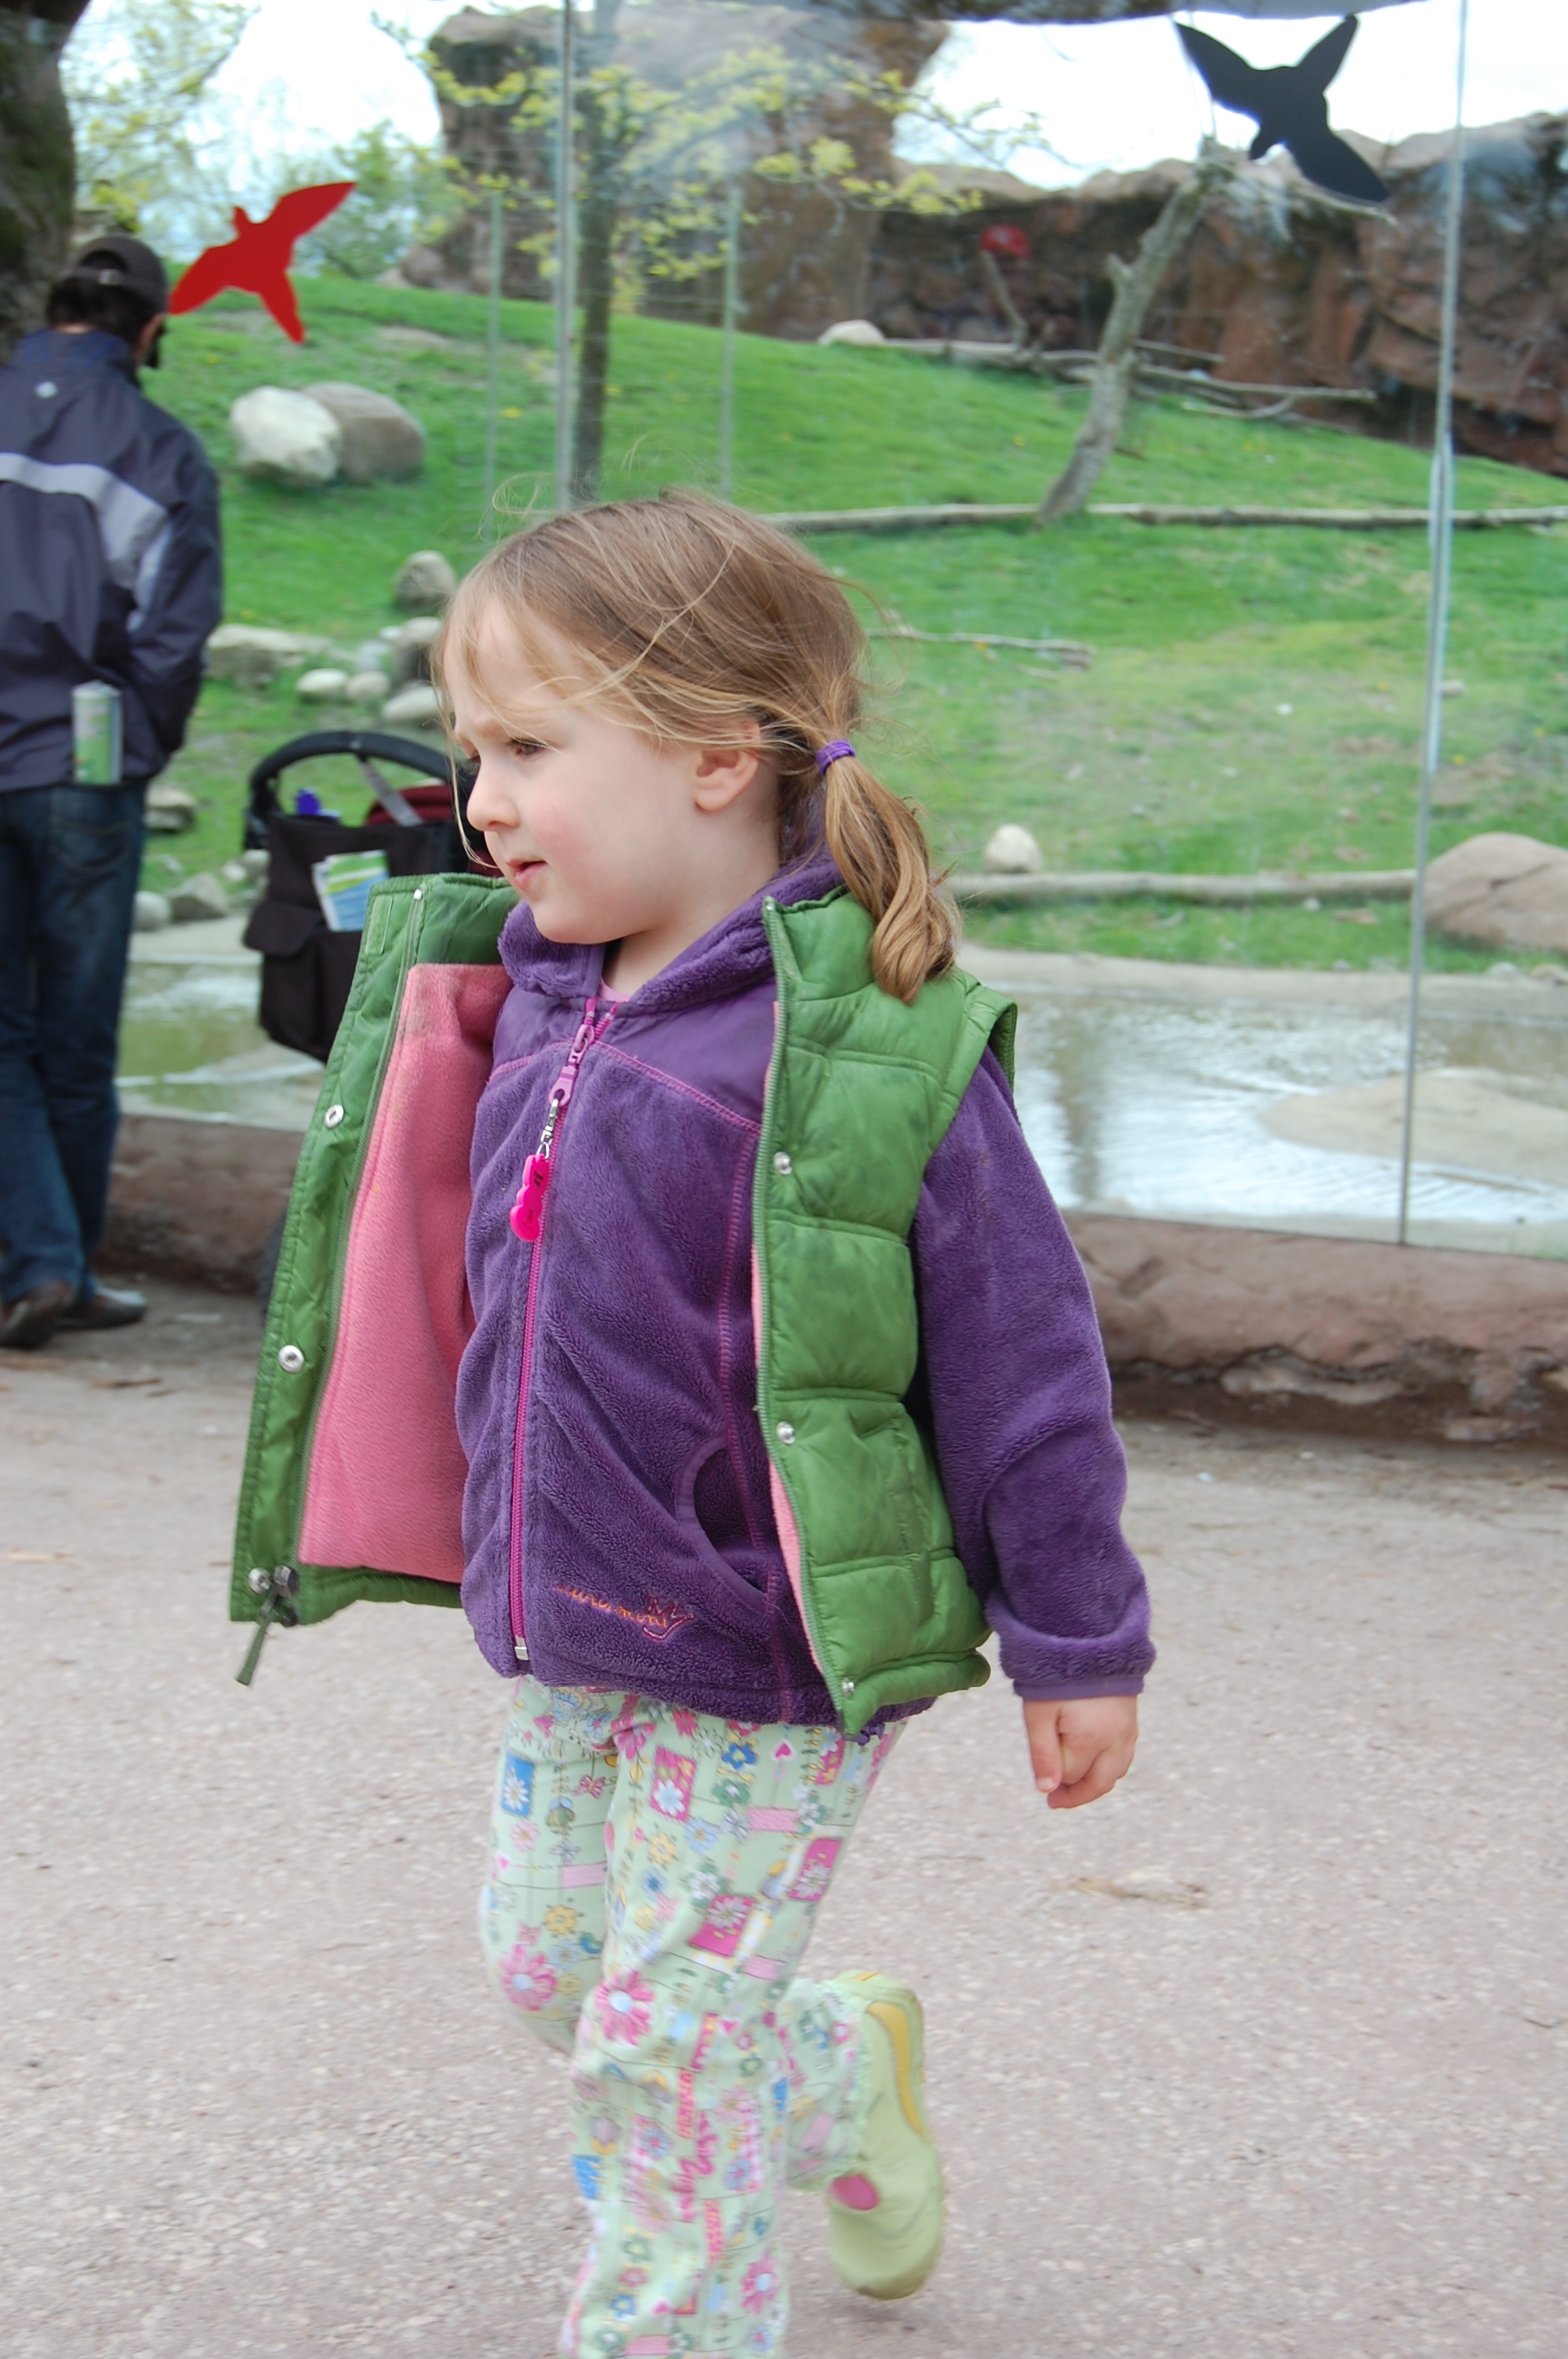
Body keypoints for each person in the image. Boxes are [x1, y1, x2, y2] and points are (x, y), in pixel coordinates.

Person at [434, 494, 1152, 2356]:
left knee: (662, 2051)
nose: (483, 802)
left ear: (711, 755)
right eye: (473, 753)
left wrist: (1077, 1631)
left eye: (527, 748)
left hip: (769, 1646)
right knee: (552, 1975)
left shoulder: (867, 1045)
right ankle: (838, 2068)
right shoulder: (536, 995)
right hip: (569, 1618)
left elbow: (1021, 1359)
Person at [0, 234, 222, 1349]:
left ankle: (34, 1265)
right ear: (151, 333)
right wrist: (134, 752)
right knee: (77, 1040)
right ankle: (63, 1268)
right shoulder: (161, 450)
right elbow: (174, 638)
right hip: (81, 769)